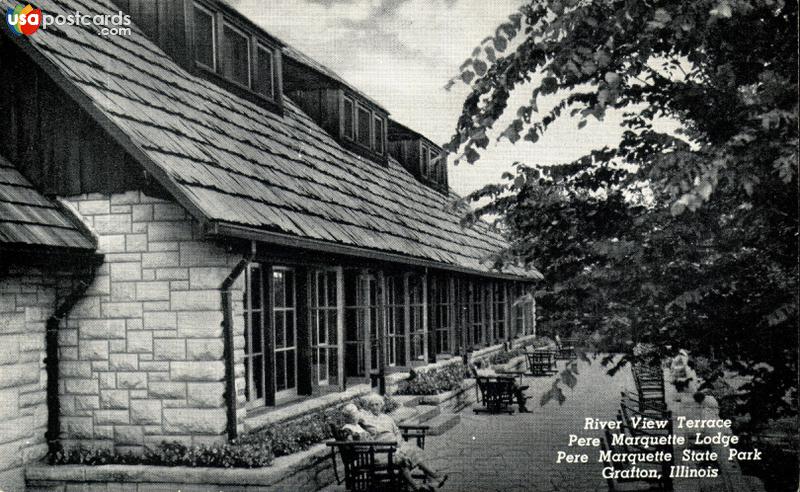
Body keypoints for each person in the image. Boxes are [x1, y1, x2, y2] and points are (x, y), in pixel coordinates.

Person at [358, 394, 447, 490]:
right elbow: (355, 416)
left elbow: (396, 431)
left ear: (381, 405)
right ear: (369, 407)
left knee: (415, 451)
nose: (375, 407)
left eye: (377, 404)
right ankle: (432, 477)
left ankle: (431, 478)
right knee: (405, 456)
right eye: (372, 405)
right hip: (383, 449)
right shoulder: (366, 419)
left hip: (397, 444)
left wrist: (399, 442)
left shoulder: (387, 417)